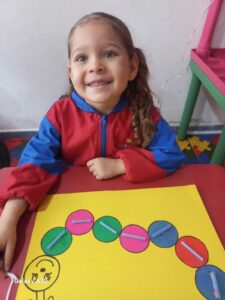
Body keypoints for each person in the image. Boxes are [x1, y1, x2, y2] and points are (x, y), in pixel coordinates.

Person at [0, 12, 185, 272]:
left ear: (132, 67)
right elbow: (36, 162)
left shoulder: (144, 112)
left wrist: (120, 165)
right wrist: (10, 214)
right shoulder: (59, 115)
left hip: (129, 214)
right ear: (70, 72)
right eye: (82, 57)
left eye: (108, 54)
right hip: (72, 215)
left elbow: (171, 155)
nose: (95, 65)